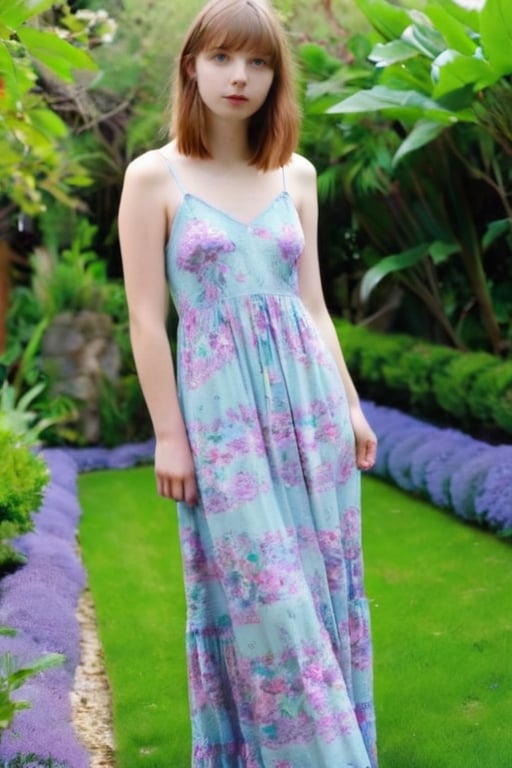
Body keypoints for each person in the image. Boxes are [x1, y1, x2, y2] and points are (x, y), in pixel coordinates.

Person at [118, 0, 378, 765]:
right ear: (191, 66)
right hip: (221, 419)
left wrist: (352, 408)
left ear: (276, 76)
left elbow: (314, 305)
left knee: (320, 586)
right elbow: (144, 319)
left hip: (311, 412)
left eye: (259, 62)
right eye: (225, 58)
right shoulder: (153, 177)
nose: (241, 77)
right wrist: (170, 435)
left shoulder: (296, 174)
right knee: (266, 600)